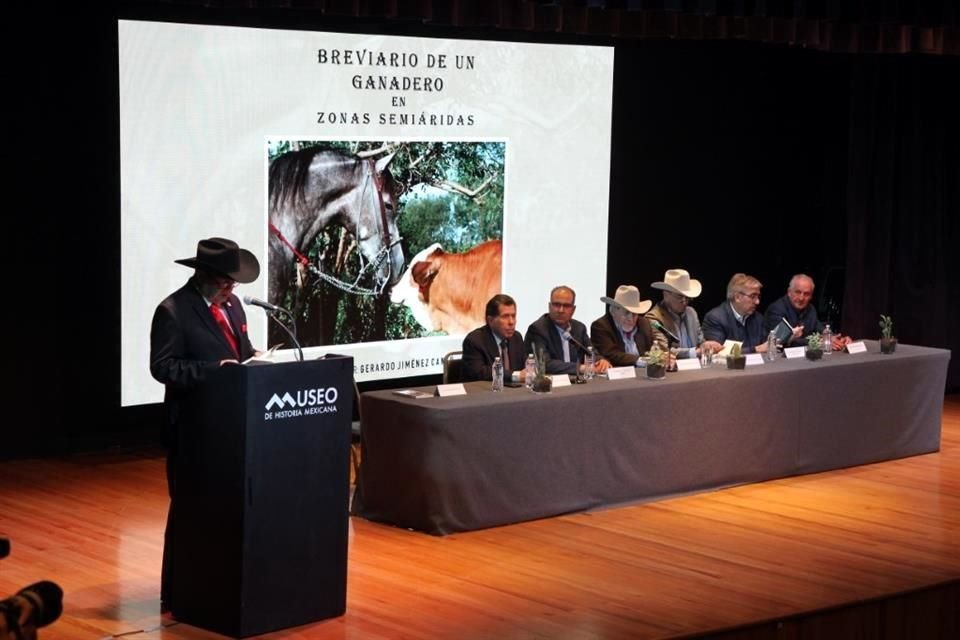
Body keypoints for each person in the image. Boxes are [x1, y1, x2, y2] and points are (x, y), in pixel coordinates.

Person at [149, 237, 261, 612]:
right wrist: (214, 371)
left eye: (234, 283)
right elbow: (163, 367)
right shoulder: (173, 311)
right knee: (189, 511)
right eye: (227, 282)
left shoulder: (233, 307)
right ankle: (178, 591)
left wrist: (255, 358)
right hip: (193, 429)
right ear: (205, 276)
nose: (232, 290)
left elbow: (240, 353)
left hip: (232, 426)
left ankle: (220, 584)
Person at [524, 286, 611, 376]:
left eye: (566, 306)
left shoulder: (579, 328)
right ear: (549, 306)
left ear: (573, 309)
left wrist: (601, 361)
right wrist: (581, 368)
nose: (561, 310)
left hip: (576, 383)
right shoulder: (538, 329)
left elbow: (590, 352)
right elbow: (544, 364)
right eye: (557, 305)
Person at [645, 268, 722, 359]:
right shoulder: (653, 318)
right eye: (680, 296)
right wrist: (695, 352)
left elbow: (700, 342)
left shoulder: (691, 313)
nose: (685, 301)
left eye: (687, 297)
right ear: (665, 294)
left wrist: (707, 345)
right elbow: (663, 350)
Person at [764, 274, 852, 350]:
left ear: (811, 296)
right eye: (798, 292)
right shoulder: (776, 309)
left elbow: (820, 329)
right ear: (789, 292)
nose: (801, 298)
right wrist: (819, 342)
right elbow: (783, 341)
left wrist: (835, 338)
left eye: (806, 294)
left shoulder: (810, 309)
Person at [462, 294, 528, 383]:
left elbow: (525, 366)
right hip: (484, 393)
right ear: (490, 320)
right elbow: (479, 373)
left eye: (513, 316)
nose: (511, 322)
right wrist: (514, 376)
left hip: (513, 393)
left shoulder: (516, 338)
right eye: (505, 316)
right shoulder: (475, 340)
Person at [702, 273, 769, 353]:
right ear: (737, 297)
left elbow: (765, 346)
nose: (757, 302)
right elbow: (718, 352)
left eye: (758, 297)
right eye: (752, 296)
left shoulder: (758, 318)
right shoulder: (715, 318)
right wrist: (755, 349)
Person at [590, 285, 656, 366]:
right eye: (626, 313)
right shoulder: (601, 326)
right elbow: (610, 354)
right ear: (613, 311)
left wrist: (661, 357)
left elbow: (652, 349)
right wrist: (639, 360)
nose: (631, 319)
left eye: (634, 314)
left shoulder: (644, 323)